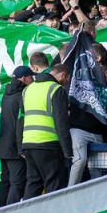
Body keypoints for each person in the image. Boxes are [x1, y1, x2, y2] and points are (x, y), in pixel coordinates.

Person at [21, 63, 73, 198]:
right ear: (62, 75)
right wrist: (68, 152)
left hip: (28, 143)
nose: (67, 81)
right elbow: (61, 123)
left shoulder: (28, 89)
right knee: (54, 184)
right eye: (67, 78)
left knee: (33, 183)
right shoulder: (56, 89)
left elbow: (21, 117)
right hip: (48, 144)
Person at [0, 65, 32, 207]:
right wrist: (21, 148)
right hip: (14, 147)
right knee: (17, 183)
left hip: (3, 145)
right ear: (23, 78)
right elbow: (20, 124)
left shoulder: (7, 94)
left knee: (5, 181)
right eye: (30, 77)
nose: (32, 79)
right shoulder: (22, 96)